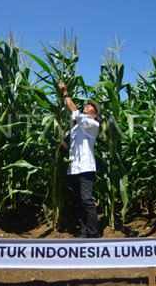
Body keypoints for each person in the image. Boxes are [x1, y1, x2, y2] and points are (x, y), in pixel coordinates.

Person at [58, 81, 100, 238]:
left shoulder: (92, 123)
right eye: (87, 105)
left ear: (95, 114)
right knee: (79, 202)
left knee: (87, 201)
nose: (87, 106)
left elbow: (74, 112)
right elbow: (71, 148)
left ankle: (94, 234)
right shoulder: (77, 128)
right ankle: (83, 232)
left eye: (90, 107)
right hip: (74, 168)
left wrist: (65, 93)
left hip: (86, 168)